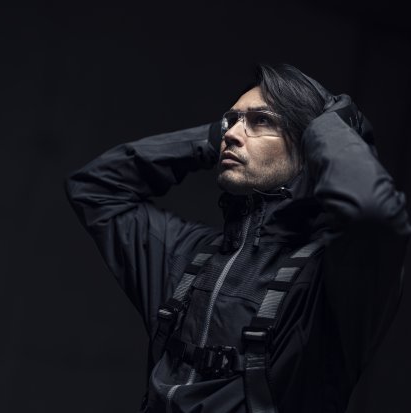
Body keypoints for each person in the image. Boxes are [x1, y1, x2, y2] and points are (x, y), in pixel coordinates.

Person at [64, 63, 411, 413]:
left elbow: (372, 211)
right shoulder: (187, 254)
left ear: (308, 146)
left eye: (261, 121)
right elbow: (95, 189)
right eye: (230, 121)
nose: (231, 134)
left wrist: (330, 126)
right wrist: (210, 138)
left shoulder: (330, 276)